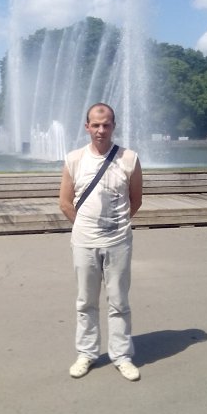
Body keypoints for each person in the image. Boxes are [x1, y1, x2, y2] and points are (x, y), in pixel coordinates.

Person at [59, 102, 143, 381]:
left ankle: (121, 355)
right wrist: (86, 226)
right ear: (87, 127)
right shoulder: (74, 159)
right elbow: (65, 202)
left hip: (118, 241)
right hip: (84, 242)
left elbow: (136, 200)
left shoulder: (129, 158)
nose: (101, 130)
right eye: (95, 125)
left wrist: (114, 225)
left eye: (106, 124)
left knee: (119, 301)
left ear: (113, 126)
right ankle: (87, 353)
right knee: (86, 301)